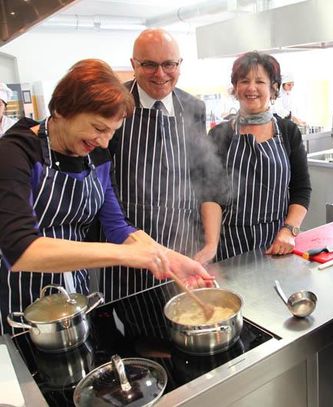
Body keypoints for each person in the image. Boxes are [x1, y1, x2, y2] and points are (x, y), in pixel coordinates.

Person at [0, 59, 212, 335]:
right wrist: (127, 255)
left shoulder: (97, 156)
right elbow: (20, 249)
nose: (103, 142)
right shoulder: (14, 153)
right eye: (99, 129)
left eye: (112, 132)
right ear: (62, 110)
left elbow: (117, 226)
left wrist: (168, 258)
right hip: (22, 305)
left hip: (76, 296)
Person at [101, 28, 216, 301]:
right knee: (140, 328)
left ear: (179, 65)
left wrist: (209, 242)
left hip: (185, 239)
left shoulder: (193, 107)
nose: (160, 74)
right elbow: (103, 181)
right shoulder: (115, 104)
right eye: (149, 64)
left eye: (168, 64)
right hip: (130, 242)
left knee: (188, 315)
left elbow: (202, 175)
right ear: (133, 65)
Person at [198, 52, 311, 262]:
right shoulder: (220, 135)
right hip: (230, 245)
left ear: (273, 87)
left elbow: (301, 189)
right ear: (235, 87)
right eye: (244, 81)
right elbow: (210, 196)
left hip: (277, 243)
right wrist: (211, 245)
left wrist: (289, 231)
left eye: (260, 81)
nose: (251, 88)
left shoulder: (288, 131)